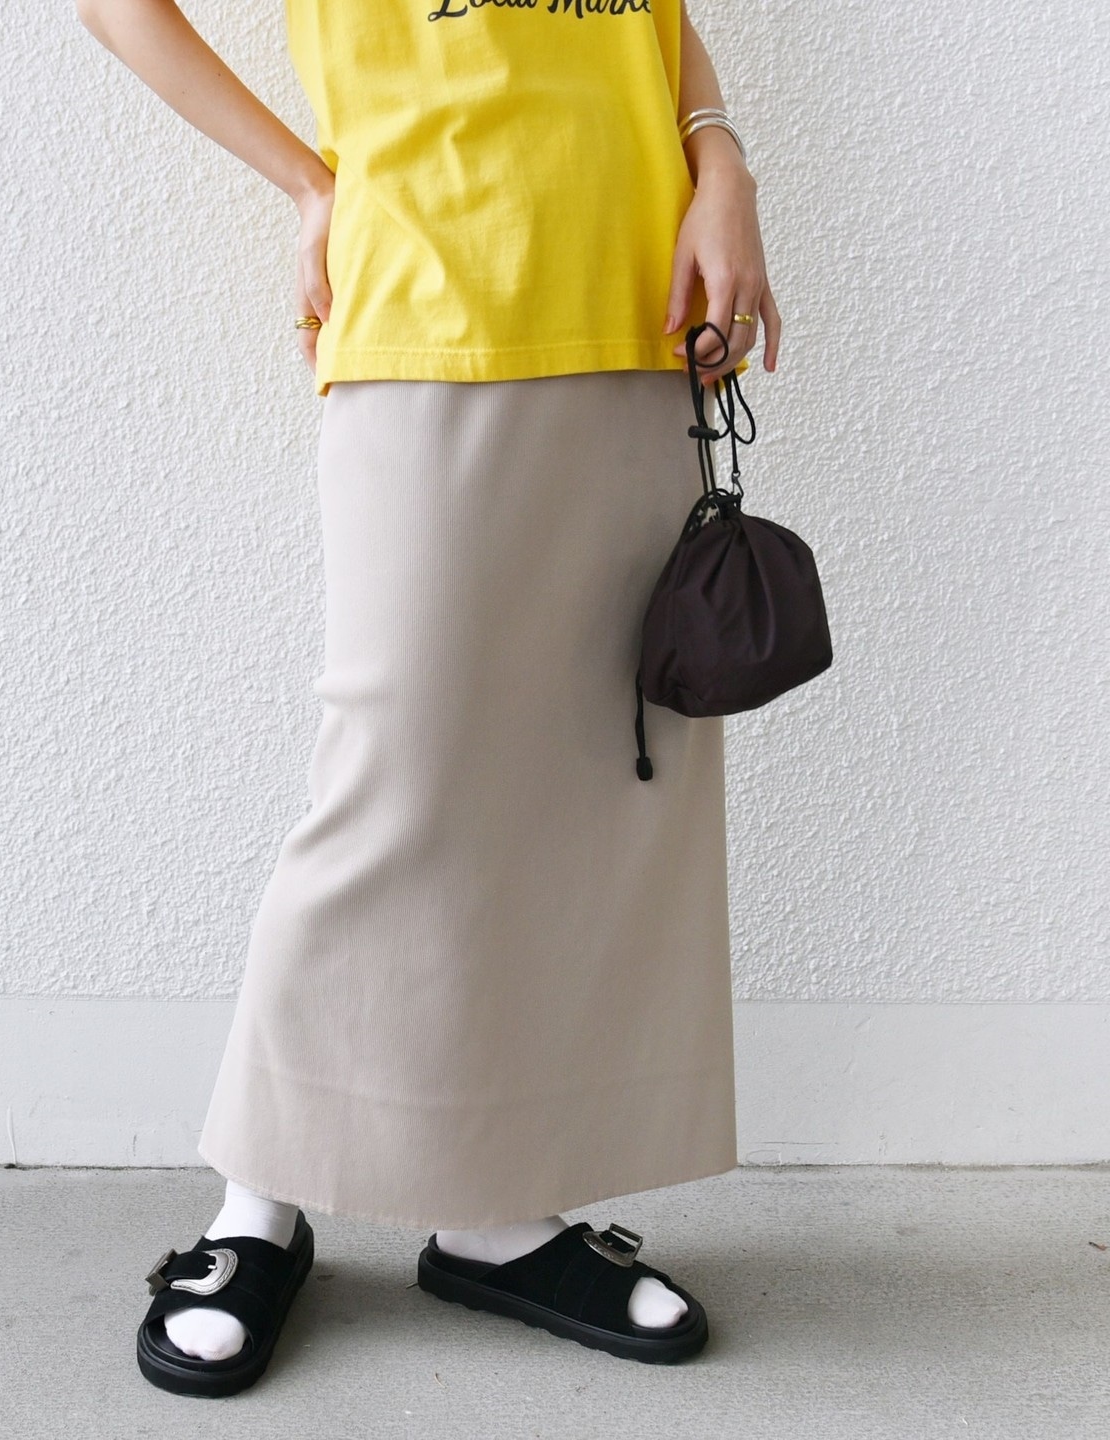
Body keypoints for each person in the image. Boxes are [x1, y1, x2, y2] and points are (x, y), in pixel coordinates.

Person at [76, 0, 780, 1398]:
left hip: (639, 302)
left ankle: (496, 1214)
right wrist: (308, 184)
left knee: (582, 778)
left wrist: (724, 166)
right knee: (392, 777)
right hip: (429, 299)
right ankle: (257, 1206)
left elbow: (651, 23)